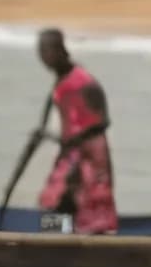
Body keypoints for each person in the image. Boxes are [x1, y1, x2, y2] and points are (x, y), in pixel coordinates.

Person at [35, 28, 118, 235]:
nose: (44, 57)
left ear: (60, 50)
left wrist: (76, 141)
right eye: (41, 52)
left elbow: (103, 121)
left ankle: (80, 243)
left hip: (89, 155)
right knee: (54, 203)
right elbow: (50, 119)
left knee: (85, 205)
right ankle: (61, 239)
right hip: (70, 153)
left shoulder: (84, 82)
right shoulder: (60, 83)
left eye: (47, 51)